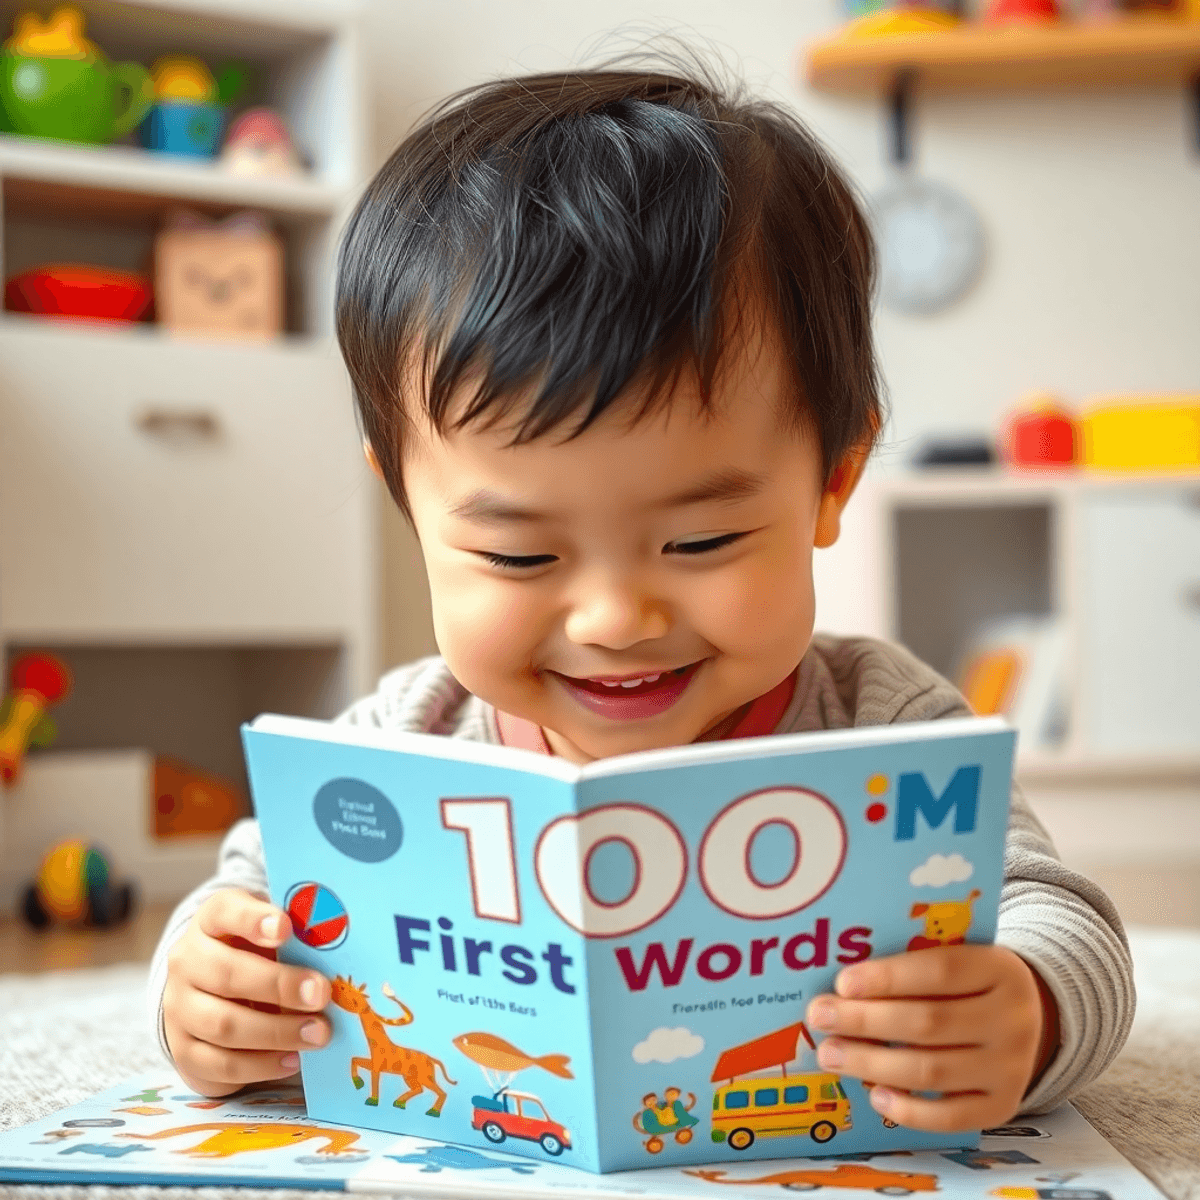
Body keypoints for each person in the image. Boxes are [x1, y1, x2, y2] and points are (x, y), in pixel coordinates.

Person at [149, 56, 1134, 1134]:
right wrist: (206, 988)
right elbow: (246, 899)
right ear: (413, 513)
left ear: (831, 485)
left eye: (702, 538)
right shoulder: (404, 739)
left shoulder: (885, 722)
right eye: (521, 558)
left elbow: (1060, 917)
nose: (616, 621)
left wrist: (1027, 1011)